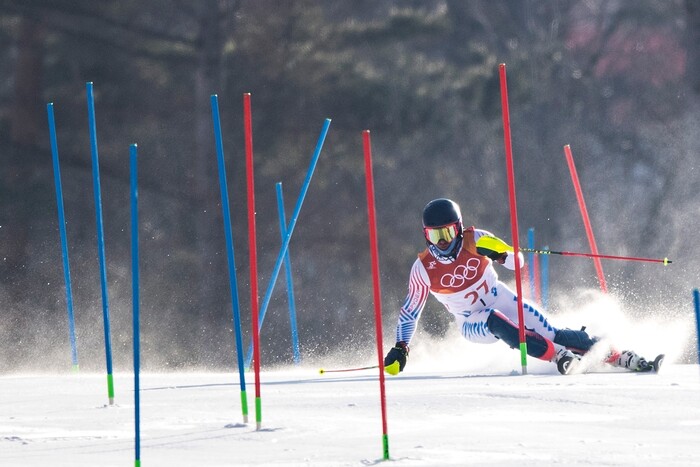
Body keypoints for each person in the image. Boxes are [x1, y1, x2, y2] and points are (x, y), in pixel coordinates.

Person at [383, 198, 659, 375]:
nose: (442, 242)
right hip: (471, 321)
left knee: (552, 332)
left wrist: (502, 255)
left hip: (501, 298)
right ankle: (559, 358)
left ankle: (620, 356)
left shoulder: (476, 239)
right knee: (498, 322)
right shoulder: (423, 268)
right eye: (435, 236)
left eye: (447, 234)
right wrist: (401, 347)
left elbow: (517, 263)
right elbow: (411, 311)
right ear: (425, 235)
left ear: (459, 228)